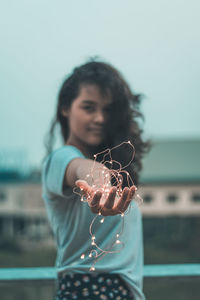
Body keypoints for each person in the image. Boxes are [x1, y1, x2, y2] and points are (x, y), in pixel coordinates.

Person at [42, 59, 149, 300]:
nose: (100, 118)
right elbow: (82, 169)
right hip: (89, 291)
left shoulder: (115, 167)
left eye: (107, 110)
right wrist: (100, 184)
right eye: (89, 107)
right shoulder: (60, 159)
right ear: (65, 108)